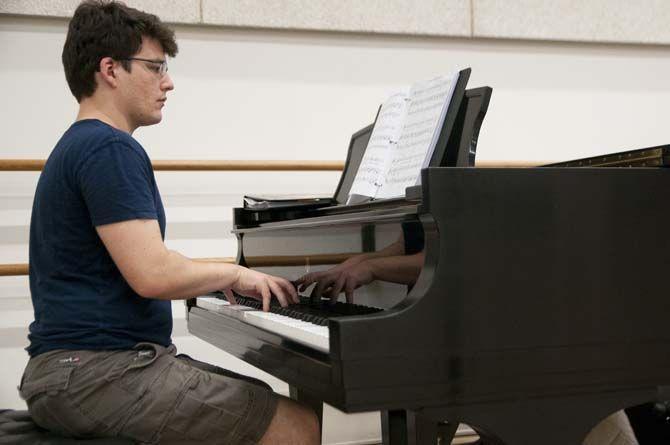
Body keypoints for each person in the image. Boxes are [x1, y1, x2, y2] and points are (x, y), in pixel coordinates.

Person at [18, 1, 320, 444]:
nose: (168, 82)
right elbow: (153, 274)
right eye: (155, 67)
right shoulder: (108, 149)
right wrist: (237, 273)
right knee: (297, 427)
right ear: (110, 70)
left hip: (71, 373)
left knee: (256, 397)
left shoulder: (79, 144)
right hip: (94, 374)